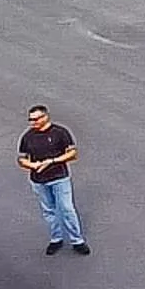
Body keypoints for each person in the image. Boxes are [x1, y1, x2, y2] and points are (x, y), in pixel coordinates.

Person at [17, 104, 88, 255]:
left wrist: (52, 161)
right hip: (38, 180)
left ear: (45, 117)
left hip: (59, 178)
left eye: (36, 119)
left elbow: (73, 154)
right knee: (48, 210)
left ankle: (77, 240)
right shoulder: (27, 137)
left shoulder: (60, 133)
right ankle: (56, 238)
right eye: (30, 120)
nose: (32, 123)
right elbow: (22, 159)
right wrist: (33, 165)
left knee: (67, 209)